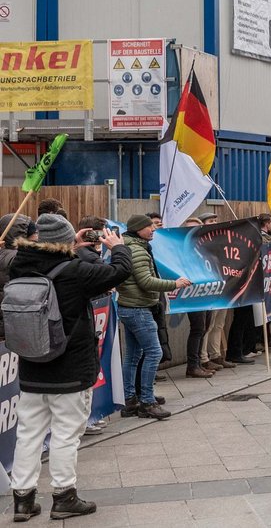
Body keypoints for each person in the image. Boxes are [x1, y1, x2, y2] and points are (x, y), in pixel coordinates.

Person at [8, 217, 131, 521]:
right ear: (66, 241)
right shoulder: (76, 271)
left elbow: (45, 256)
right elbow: (119, 272)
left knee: (28, 434)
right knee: (65, 434)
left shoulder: (18, 265)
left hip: (31, 366)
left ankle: (23, 501)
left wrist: (68, 244)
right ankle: (64, 497)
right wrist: (118, 247)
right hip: (70, 369)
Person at [115, 214, 189, 419]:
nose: (154, 229)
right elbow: (146, 282)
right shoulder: (137, 250)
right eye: (149, 227)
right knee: (154, 352)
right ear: (139, 229)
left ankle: (130, 400)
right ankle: (147, 402)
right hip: (138, 309)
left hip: (129, 307)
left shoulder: (131, 246)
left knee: (133, 355)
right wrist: (175, 284)